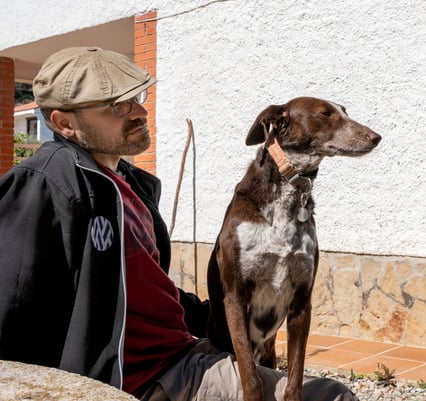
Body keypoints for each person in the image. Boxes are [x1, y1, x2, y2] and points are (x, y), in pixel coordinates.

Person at [0, 47, 357, 401]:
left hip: (183, 351)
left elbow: (147, 293)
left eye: (136, 98)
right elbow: (10, 309)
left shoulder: (128, 186)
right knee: (331, 396)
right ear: (65, 124)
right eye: (117, 106)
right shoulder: (44, 185)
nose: (139, 112)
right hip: (143, 377)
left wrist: (217, 316)